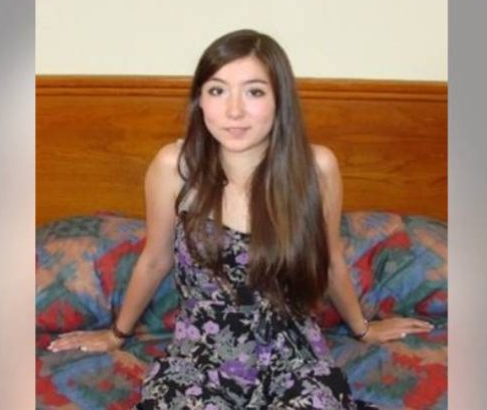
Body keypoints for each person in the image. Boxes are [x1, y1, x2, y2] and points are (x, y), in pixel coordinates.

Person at [48, 29, 434, 409]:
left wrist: (363, 329)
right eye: (217, 90)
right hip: (200, 357)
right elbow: (155, 259)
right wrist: (116, 334)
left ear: (280, 100)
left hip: (293, 355)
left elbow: (329, 258)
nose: (234, 111)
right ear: (200, 100)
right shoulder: (174, 167)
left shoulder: (316, 168)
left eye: (254, 92)